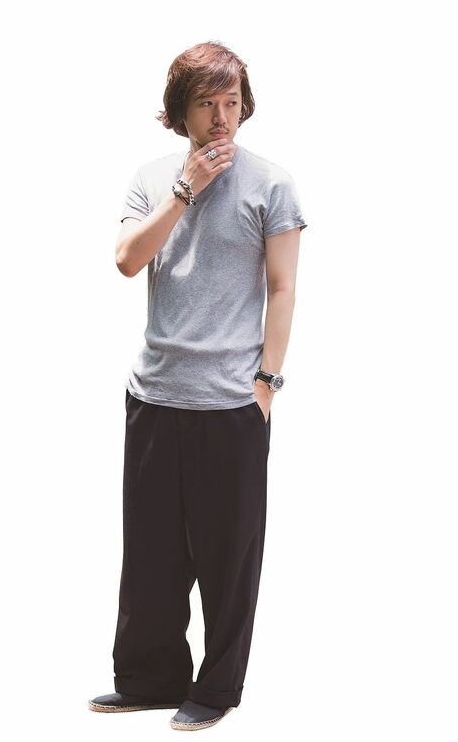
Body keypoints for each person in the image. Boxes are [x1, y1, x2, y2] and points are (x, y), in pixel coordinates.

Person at [89, 40, 308, 731]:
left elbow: (283, 288)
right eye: (206, 104)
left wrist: (266, 384)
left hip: (231, 404)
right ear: (178, 111)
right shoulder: (152, 178)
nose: (221, 118)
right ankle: (150, 679)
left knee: (227, 557)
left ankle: (215, 691)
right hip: (154, 396)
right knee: (150, 555)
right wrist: (185, 189)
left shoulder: (272, 184)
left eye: (231, 103)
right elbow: (127, 260)